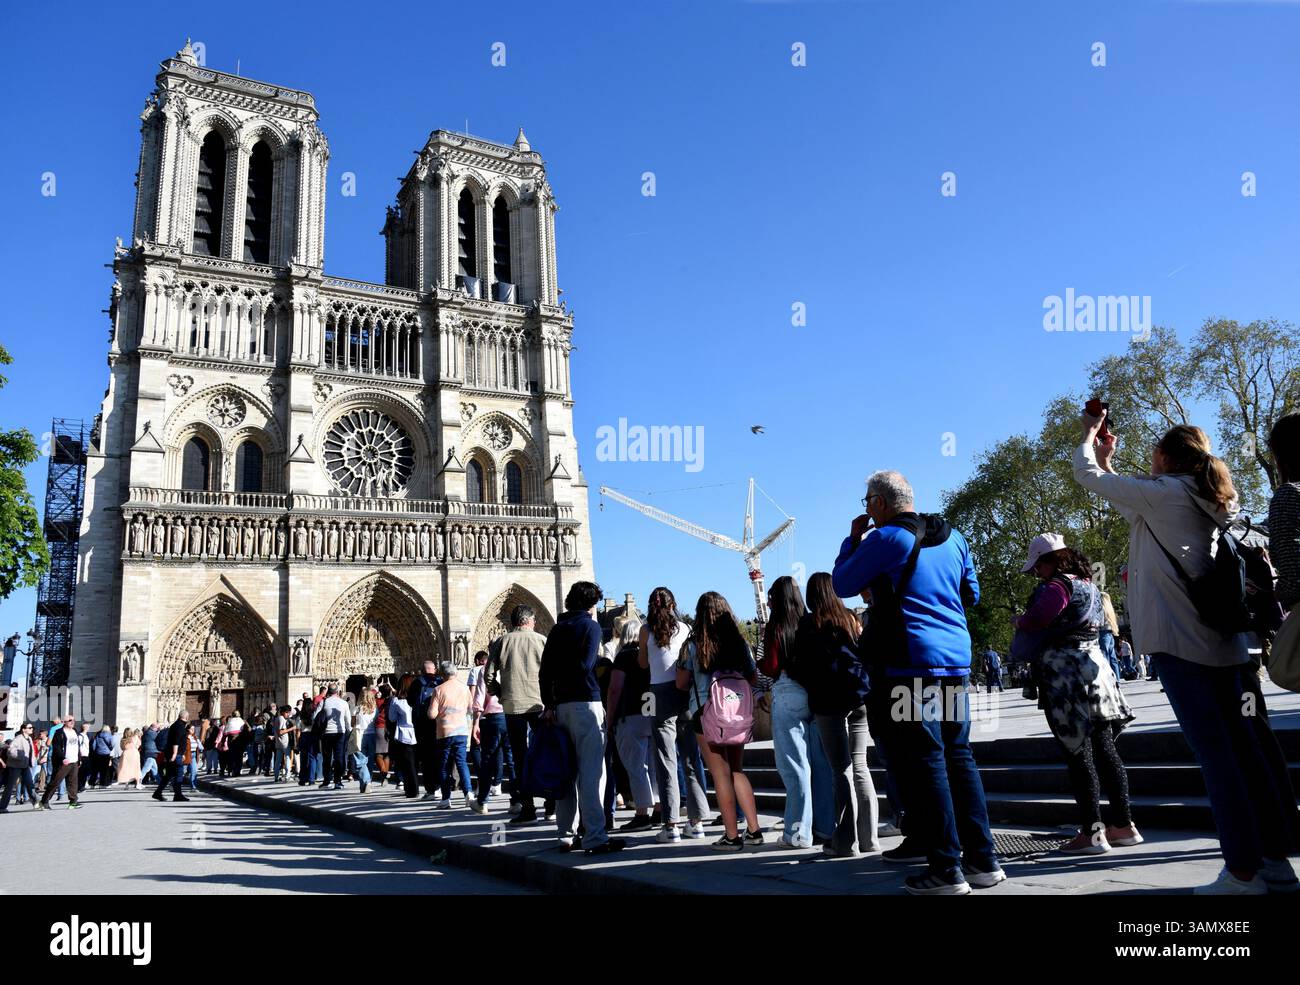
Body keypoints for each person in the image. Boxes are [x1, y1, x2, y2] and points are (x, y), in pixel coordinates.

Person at [1075, 412, 1298, 894]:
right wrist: (1111, 464)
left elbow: (1084, 475)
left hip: (1181, 644)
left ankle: (1241, 871)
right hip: (1230, 647)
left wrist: (1091, 437)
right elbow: (1124, 498)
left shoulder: (1164, 495)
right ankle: (1276, 861)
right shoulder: (1210, 497)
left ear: (1167, 457)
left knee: (1217, 759)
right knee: (1252, 753)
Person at [832, 469, 1004, 895]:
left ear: (878, 504)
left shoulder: (887, 539)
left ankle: (946, 869)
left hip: (911, 663)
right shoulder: (955, 536)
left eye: (866, 502)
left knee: (927, 760)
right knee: (959, 757)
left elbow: (841, 583)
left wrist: (851, 540)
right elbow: (972, 595)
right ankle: (984, 861)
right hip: (955, 661)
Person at [1015, 534, 1140, 855]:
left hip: (1066, 676)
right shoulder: (1090, 585)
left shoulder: (1056, 586)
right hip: (1096, 671)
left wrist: (1021, 620)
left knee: (1078, 755)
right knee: (1106, 750)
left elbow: (1039, 618)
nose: (1037, 573)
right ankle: (1124, 826)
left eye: (1039, 566)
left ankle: (1092, 833)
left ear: (1053, 560)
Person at [797, 573, 881, 857]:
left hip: (828, 702)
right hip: (859, 698)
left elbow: (802, 666)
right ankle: (870, 839)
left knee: (840, 770)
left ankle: (845, 843)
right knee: (861, 767)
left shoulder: (810, 623)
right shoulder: (848, 617)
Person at [540, 580, 625, 854]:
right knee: (591, 774)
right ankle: (594, 837)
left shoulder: (556, 629)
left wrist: (549, 703)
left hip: (560, 706)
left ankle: (565, 835)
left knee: (566, 772)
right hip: (585, 702)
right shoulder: (590, 626)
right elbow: (586, 665)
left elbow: (544, 672)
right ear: (591, 604)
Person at [676, 591, 760, 851]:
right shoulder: (739, 644)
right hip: (736, 713)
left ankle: (732, 836)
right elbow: (754, 678)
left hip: (706, 712)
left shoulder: (693, 645)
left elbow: (680, 683)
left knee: (719, 774)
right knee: (737, 770)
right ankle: (755, 831)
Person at [761, 576, 836, 849]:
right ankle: (825, 828)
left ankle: (797, 832)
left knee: (794, 767)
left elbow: (771, 666)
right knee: (820, 766)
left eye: (770, 596)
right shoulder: (811, 621)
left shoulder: (776, 626)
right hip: (814, 695)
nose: (768, 601)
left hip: (787, 692)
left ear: (778, 599)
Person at [639, 587, 708, 843]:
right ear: (673, 604)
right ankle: (697, 821)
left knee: (665, 759)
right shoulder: (685, 628)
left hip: (657, 693)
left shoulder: (645, 629)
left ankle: (670, 825)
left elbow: (643, 664)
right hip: (684, 691)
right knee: (691, 757)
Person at [484, 604, 549, 825]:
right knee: (544, 752)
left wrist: (500, 694)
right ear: (528, 620)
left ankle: (528, 808)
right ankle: (551, 804)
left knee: (520, 758)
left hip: (512, 707)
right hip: (540, 705)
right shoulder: (542, 640)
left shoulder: (502, 641)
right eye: (534, 620)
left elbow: (489, 676)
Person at [606, 618, 659, 831]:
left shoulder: (624, 656)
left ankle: (641, 812)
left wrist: (610, 718)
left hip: (630, 714)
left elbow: (614, 688)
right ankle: (659, 808)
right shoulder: (652, 655)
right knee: (655, 767)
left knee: (636, 767)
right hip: (653, 712)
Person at [427, 661, 475, 809]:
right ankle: (468, 794)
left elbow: (431, 714)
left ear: (442, 674)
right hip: (461, 730)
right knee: (461, 763)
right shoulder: (465, 688)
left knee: (444, 766)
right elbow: (470, 708)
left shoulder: (438, 690)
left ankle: (446, 799)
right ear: (456, 673)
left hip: (445, 732)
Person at [471, 650, 510, 814]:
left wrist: (475, 723)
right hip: (513, 714)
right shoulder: (511, 666)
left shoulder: (485, 669)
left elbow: (479, 698)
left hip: (493, 717)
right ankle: (517, 802)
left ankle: (483, 802)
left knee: (487, 759)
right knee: (512, 759)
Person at [406, 660, 444, 798]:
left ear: (422, 670)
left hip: (422, 724)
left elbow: (410, 701)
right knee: (439, 756)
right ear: (434, 669)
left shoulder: (417, 682)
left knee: (426, 758)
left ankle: (431, 790)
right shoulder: (441, 681)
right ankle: (441, 786)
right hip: (439, 723)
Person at [38, 716, 82, 811]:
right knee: (55, 781)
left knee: (73, 782)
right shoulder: (59, 733)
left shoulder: (74, 731)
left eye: (74, 720)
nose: (72, 722)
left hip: (74, 761)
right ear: (64, 722)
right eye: (70, 720)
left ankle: (73, 802)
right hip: (64, 762)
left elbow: (77, 746)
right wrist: (62, 758)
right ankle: (44, 801)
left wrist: (79, 758)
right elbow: (57, 747)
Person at [385, 683, 420, 799]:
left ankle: (410, 789)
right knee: (414, 762)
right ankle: (414, 788)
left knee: (406, 763)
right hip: (416, 732)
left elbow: (392, 718)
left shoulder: (397, 701)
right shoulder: (417, 699)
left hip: (403, 734)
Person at [318, 685, 352, 790]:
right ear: (337, 691)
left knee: (327, 758)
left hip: (327, 733)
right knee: (339, 757)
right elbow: (348, 720)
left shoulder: (324, 702)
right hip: (340, 732)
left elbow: (316, 716)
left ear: (328, 691)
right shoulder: (344, 703)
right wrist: (349, 731)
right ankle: (338, 781)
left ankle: (327, 781)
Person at [152, 709, 191, 802]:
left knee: (168, 775)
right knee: (179, 774)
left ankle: (158, 793)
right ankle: (178, 795)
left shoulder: (175, 725)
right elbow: (176, 741)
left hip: (173, 753)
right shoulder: (180, 726)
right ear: (186, 717)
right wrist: (175, 754)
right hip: (175, 754)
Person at [0, 722, 37, 812]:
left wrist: (32, 761)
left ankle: (37, 803)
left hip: (25, 766)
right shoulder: (18, 738)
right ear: (23, 729)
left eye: (32, 728)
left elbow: (31, 752)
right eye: (29, 728)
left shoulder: (29, 739)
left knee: (30, 784)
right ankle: (2, 807)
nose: (32, 729)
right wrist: (21, 756)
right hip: (15, 766)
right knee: (10, 786)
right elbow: (10, 751)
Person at [350, 689, 375, 794]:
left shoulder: (356, 709)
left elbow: (352, 724)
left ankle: (366, 781)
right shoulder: (374, 709)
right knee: (369, 760)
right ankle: (365, 784)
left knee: (360, 760)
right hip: (372, 735)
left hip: (360, 735)